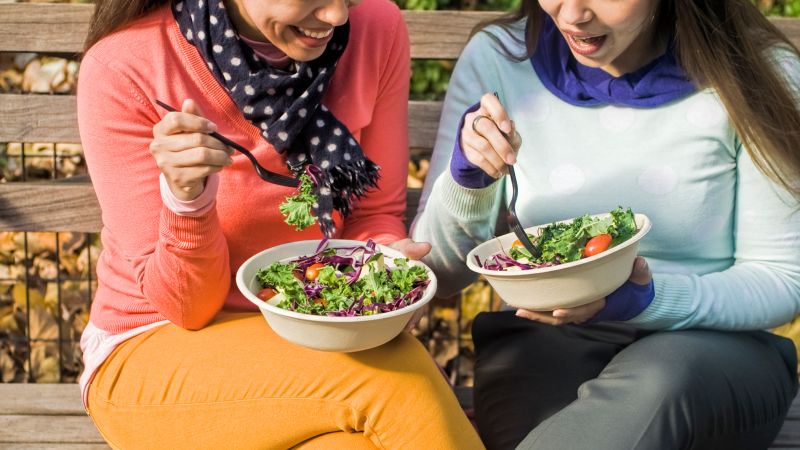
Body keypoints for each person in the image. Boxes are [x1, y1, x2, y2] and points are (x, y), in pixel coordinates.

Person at [75, 0, 484, 448]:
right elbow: (187, 308)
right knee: (399, 379)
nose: (338, 17)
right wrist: (187, 202)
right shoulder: (125, 67)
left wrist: (381, 262)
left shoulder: (375, 28)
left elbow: (372, 212)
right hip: (157, 349)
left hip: (312, 338)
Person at [412, 0, 800, 448]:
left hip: (712, 349)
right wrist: (467, 181)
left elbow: (782, 277)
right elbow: (441, 274)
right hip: (544, 341)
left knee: (659, 383)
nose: (572, 14)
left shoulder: (757, 69)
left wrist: (648, 300)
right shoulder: (500, 57)